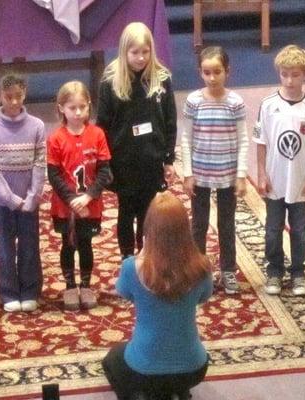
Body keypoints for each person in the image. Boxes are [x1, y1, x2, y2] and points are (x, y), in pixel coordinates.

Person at [102, 192, 212, 400]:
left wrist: (142, 255)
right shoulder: (202, 267)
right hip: (194, 367)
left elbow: (123, 292)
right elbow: (204, 296)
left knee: (112, 359)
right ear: (185, 229)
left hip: (144, 368)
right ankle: (177, 390)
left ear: (148, 228)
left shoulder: (132, 268)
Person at [96, 21, 177, 260]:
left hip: (151, 158)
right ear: (124, 52)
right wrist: (104, 162)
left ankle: (145, 256)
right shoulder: (110, 80)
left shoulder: (161, 78)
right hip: (123, 159)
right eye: (134, 53)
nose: (140, 58)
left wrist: (169, 158)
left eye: (145, 51)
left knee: (147, 212)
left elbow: (170, 120)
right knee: (126, 211)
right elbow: (102, 124)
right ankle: (126, 257)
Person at [253, 45, 305, 296]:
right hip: (275, 179)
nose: (290, 80)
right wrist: (261, 173)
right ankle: (274, 271)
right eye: (284, 74)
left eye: (295, 74)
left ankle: (297, 273)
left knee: (299, 230)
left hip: (300, 181)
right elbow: (261, 142)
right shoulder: (268, 104)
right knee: (272, 230)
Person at [182, 46, 248, 295]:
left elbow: (243, 140)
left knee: (226, 223)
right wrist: (188, 173)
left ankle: (228, 270)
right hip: (200, 174)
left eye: (217, 72)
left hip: (227, 175)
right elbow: (186, 138)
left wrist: (240, 176)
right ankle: (199, 272)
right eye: (206, 72)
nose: (212, 78)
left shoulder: (235, 102)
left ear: (227, 72)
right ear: (200, 72)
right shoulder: (194, 101)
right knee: (198, 224)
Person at [0, 74, 46, 313]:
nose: (13, 102)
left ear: (25, 93)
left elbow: (40, 163)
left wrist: (32, 197)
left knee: (30, 245)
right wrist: (10, 199)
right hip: (2, 202)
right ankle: (8, 291)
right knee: (4, 246)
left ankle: (30, 290)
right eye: (8, 97)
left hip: (30, 201)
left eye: (18, 96)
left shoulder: (37, 126)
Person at [47, 81, 112, 310]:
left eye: (82, 107)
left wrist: (89, 196)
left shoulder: (97, 134)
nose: (77, 113)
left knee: (85, 244)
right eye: (72, 108)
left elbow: (105, 171)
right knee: (68, 244)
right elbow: (53, 175)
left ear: (89, 107)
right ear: (61, 108)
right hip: (65, 206)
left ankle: (85, 285)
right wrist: (72, 200)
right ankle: (69, 286)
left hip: (90, 204)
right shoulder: (56, 138)